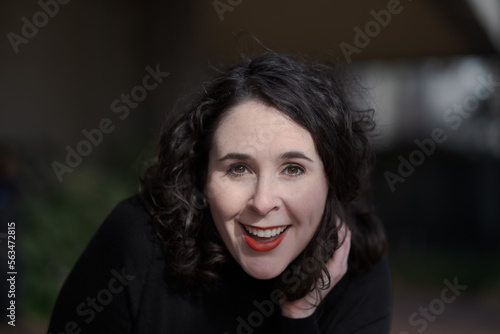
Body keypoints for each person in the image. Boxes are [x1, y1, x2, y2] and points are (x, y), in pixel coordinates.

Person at [48, 52, 391, 334]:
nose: (262, 201)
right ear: (202, 175)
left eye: (293, 169)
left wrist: (300, 316)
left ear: (331, 177)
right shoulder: (137, 241)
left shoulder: (358, 260)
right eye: (238, 168)